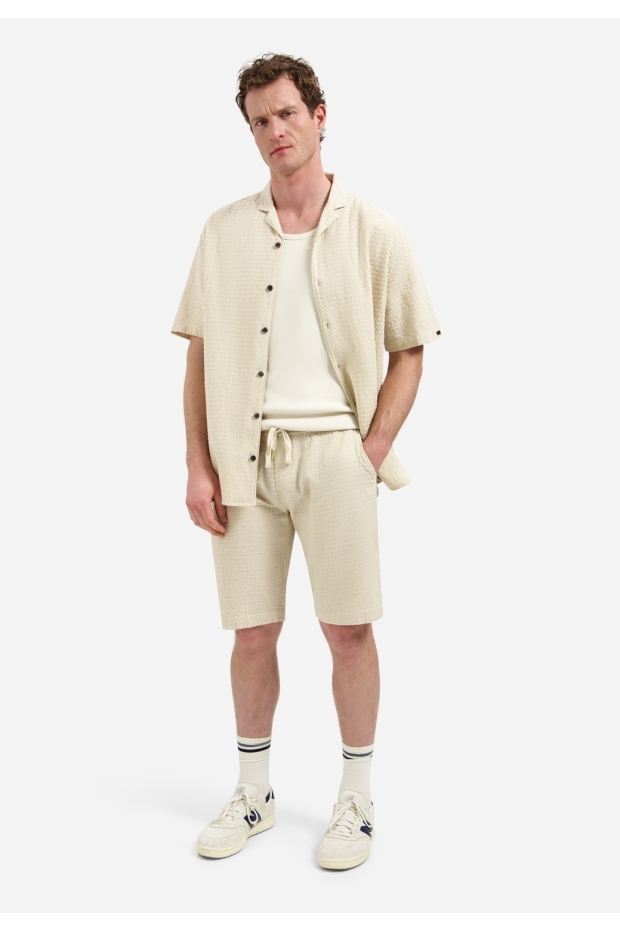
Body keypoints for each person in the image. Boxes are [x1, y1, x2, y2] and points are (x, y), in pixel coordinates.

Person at [171, 53, 441, 871]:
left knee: (348, 629)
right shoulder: (223, 231)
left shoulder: (376, 230)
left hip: (335, 457)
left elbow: (410, 347)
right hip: (242, 458)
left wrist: (371, 450)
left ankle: (355, 800)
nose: (274, 131)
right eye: (259, 120)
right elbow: (199, 354)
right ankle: (253, 792)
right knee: (252, 632)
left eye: (286, 113)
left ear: (320, 117)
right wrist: (198, 465)